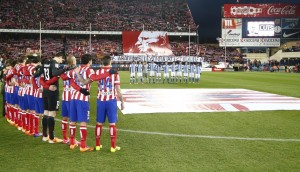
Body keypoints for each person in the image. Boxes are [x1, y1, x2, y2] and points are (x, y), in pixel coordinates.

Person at [69, 54, 113, 152]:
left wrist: (78, 89)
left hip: (73, 97)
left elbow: (70, 81)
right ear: (89, 61)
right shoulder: (89, 70)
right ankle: (83, 146)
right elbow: (95, 78)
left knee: (73, 121)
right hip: (83, 98)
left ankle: (72, 143)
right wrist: (109, 73)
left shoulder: (77, 68)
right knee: (83, 122)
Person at [93, 55, 124, 152]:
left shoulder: (97, 72)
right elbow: (118, 90)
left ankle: (98, 145)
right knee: (112, 123)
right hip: (111, 101)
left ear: (102, 62)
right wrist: (122, 102)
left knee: (99, 123)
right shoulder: (115, 73)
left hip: (101, 100)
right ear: (110, 62)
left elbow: (96, 82)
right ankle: (113, 147)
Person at [40, 52, 67, 143]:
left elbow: (41, 77)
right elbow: (55, 72)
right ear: (59, 57)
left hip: (46, 90)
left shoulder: (46, 64)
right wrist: (64, 69)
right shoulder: (54, 63)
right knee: (52, 114)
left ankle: (44, 136)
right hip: (52, 91)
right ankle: (51, 138)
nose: (61, 61)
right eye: (61, 59)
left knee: (46, 112)